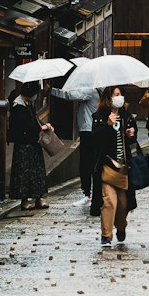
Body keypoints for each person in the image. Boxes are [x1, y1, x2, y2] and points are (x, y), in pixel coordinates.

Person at [90, 85, 138, 248]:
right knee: (109, 201)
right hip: (106, 167)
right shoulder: (99, 116)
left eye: (120, 94)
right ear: (108, 98)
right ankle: (106, 236)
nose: (119, 97)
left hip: (124, 168)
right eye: (115, 95)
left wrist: (130, 134)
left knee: (123, 204)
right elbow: (95, 140)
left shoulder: (126, 115)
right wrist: (107, 126)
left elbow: (132, 138)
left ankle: (121, 227)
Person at [53, 79, 97, 207]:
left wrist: (51, 90)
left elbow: (69, 95)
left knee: (86, 164)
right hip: (93, 130)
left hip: (88, 132)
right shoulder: (101, 91)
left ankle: (87, 195)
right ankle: (92, 194)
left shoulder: (91, 91)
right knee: (92, 164)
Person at [7, 82, 51, 211]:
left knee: (36, 172)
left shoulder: (28, 104)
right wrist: (40, 127)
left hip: (33, 142)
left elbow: (35, 119)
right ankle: (25, 199)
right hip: (24, 144)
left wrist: (43, 125)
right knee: (24, 173)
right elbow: (25, 125)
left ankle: (39, 197)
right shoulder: (18, 106)